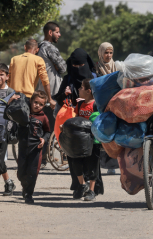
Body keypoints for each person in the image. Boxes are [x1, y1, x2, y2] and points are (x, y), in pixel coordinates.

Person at [54, 49, 103, 196]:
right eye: (74, 66)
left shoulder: (94, 79)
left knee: (92, 159)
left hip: (90, 128)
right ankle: (79, 185)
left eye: (81, 65)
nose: (78, 69)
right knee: (74, 157)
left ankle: (94, 187)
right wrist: (65, 95)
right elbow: (59, 100)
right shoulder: (67, 79)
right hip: (73, 126)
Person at [7, 91, 50, 204]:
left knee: (32, 172)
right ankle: (25, 187)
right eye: (35, 102)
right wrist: (10, 102)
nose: (37, 106)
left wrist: (44, 139)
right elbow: (8, 114)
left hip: (36, 149)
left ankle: (29, 194)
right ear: (30, 101)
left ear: (44, 106)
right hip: (22, 148)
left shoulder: (43, 117)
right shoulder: (23, 113)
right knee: (21, 173)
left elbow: (47, 131)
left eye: (41, 104)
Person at [63, 79, 102, 201]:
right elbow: (75, 119)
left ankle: (92, 190)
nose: (79, 90)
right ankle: (82, 184)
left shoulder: (96, 105)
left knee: (92, 165)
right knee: (76, 163)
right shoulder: (79, 105)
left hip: (92, 140)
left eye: (81, 88)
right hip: (79, 141)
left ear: (88, 91)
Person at [37, 21, 67, 168]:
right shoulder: (50, 47)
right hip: (53, 92)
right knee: (57, 125)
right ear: (50, 33)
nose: (59, 35)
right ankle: (62, 157)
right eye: (57, 32)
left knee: (42, 125)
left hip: (39, 92)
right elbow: (62, 67)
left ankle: (42, 159)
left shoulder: (38, 48)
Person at [8, 39, 55, 109]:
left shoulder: (14, 59)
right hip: (27, 98)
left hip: (13, 97)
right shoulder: (38, 60)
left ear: (25, 47)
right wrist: (50, 99)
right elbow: (45, 81)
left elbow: (9, 79)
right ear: (37, 50)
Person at [95, 42, 119, 175]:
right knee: (105, 132)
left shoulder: (117, 66)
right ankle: (104, 164)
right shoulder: (97, 68)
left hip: (116, 103)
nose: (108, 55)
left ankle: (114, 164)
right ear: (101, 53)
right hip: (103, 104)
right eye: (106, 53)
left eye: (110, 53)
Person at [0, 63, 16, 196]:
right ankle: (8, 182)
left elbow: (16, 113)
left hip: (3, 131)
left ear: (7, 76)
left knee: (0, 160)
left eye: (1, 74)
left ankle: (9, 182)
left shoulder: (11, 93)